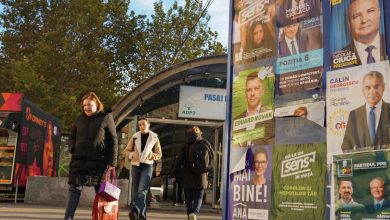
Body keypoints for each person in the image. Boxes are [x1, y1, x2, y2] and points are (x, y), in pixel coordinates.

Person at [64, 92, 118, 220]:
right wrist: (73, 147)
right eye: (84, 105)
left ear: (97, 104)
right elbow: (72, 136)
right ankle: (68, 217)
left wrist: (112, 162)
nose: (86, 108)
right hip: (79, 160)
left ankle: (102, 217)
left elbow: (113, 140)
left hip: (98, 162)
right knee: (74, 190)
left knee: (100, 193)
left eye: (90, 105)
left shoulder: (105, 117)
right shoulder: (79, 119)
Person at [124, 117, 162, 220]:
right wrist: (132, 155)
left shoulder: (154, 137)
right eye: (140, 125)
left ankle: (135, 210)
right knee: (137, 191)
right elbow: (126, 150)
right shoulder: (135, 136)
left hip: (147, 166)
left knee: (142, 190)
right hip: (136, 166)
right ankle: (142, 216)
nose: (141, 126)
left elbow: (159, 154)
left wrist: (151, 156)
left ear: (148, 125)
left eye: (143, 124)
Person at [341, 71, 390, 151]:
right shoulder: (354, 115)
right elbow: (346, 147)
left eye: (376, 86)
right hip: (363, 162)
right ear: (363, 91)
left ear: (383, 87)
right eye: (368, 88)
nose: (372, 91)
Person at [171, 126, 211, 220]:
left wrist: (173, 174)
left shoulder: (185, 145)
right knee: (199, 196)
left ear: (188, 134)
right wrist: (208, 169)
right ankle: (194, 212)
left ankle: (190, 215)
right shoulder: (205, 143)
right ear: (200, 133)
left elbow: (179, 161)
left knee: (189, 198)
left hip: (187, 174)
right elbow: (212, 158)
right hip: (201, 175)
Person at [233, 72, 274, 147]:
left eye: (256, 89)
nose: (252, 93)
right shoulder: (236, 121)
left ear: (262, 91)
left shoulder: (271, 117)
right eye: (249, 90)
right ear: (245, 93)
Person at [343, 0, 385, 65]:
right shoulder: (335, 59)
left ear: (379, 13)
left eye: (370, 11)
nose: (364, 20)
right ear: (349, 23)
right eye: (356, 16)